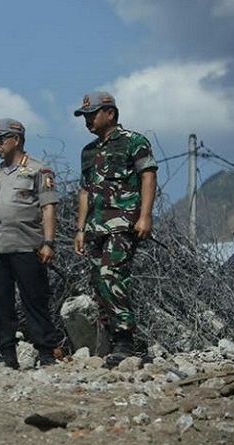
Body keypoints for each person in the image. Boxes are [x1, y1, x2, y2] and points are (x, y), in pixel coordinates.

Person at [72, 91, 158, 367]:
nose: (87, 120)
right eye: (84, 116)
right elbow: (85, 191)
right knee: (99, 281)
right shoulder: (89, 151)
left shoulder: (134, 142)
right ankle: (116, 339)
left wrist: (145, 216)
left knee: (112, 275)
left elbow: (148, 176)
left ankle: (125, 340)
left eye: (92, 114)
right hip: (96, 226)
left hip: (123, 224)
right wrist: (80, 229)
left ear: (110, 113)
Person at [0, 118, 64, 369]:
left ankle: (46, 352)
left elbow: (48, 207)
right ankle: (7, 353)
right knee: (1, 303)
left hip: (28, 247)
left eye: (1, 139)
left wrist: (48, 242)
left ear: (16, 139)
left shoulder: (38, 170)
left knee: (35, 301)